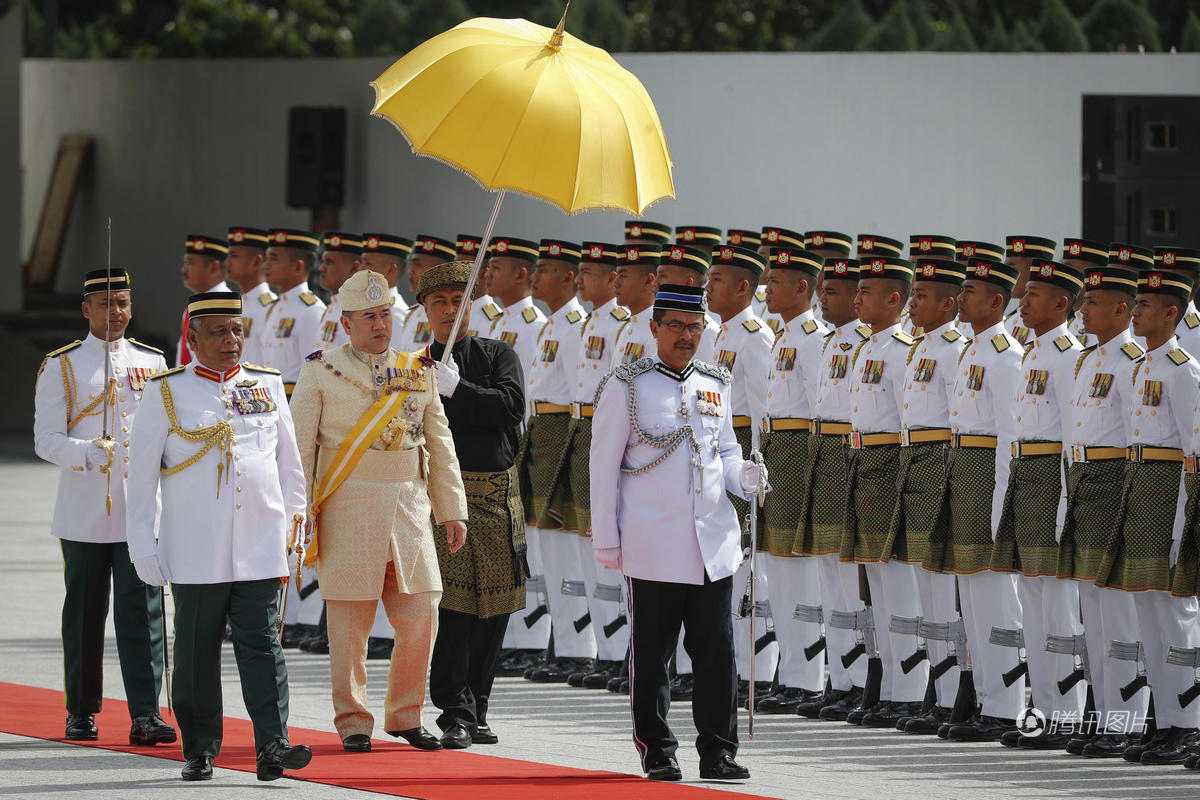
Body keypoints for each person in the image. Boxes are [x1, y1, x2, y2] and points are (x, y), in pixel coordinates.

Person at [126, 290, 311, 782]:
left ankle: (273, 743)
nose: (231, 340)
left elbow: (289, 467)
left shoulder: (266, 384)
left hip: (259, 542)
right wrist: (142, 544)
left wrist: (296, 530)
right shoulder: (166, 392)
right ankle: (200, 748)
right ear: (192, 339)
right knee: (195, 652)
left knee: (263, 646)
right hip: (196, 547)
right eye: (218, 332)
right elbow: (140, 477)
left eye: (236, 331)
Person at [289, 269, 468, 753]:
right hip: (348, 506)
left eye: (385, 314)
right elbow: (299, 451)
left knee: (423, 612)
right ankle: (353, 720)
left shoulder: (417, 369)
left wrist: (452, 509)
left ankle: (406, 715)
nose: (380, 324)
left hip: (409, 507)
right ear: (346, 324)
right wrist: (298, 515)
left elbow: (439, 443)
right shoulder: (321, 370)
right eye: (368, 316)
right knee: (350, 622)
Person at [590, 284, 762, 782]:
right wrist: (607, 539)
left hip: (712, 543)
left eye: (694, 327)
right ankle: (658, 750)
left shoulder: (715, 382)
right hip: (652, 543)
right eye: (676, 326)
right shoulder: (627, 386)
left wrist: (745, 477)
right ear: (655, 328)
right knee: (653, 655)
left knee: (717, 653)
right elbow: (602, 467)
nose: (686, 336)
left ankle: (718, 751)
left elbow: (725, 450)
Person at [33, 267, 174, 746]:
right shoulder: (63, 365)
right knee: (85, 614)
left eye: (123, 303)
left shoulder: (152, 361)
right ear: (85, 309)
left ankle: (145, 713)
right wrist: (85, 452)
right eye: (105, 303)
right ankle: (81, 710)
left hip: (140, 510)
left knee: (143, 615)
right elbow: (44, 438)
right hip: (85, 510)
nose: (116, 312)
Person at [1094, 257, 1200, 765]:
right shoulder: (1138, 368)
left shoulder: (1184, 371)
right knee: (1147, 610)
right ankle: (1164, 721)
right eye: (1135, 304)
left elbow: (1192, 452)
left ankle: (1189, 723)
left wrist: (1184, 520)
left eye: (1145, 305)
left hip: (1169, 494)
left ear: (1172, 313)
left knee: (1175, 612)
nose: (1135, 312)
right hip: (1138, 492)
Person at [417, 261, 527, 749]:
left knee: (494, 610)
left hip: (496, 495)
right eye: (438, 302)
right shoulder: (414, 365)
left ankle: (478, 706)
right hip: (445, 497)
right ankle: (454, 712)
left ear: (472, 306)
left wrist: (458, 390)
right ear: (424, 309)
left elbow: (511, 407)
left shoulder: (498, 354)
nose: (448, 310)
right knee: (453, 609)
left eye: (457, 301)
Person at [925, 256, 1025, 743]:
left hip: (987, 473)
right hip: (963, 469)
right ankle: (985, 698)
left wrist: (1003, 499)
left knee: (995, 593)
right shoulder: (972, 350)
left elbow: (1009, 435)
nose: (960, 299)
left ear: (997, 301)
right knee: (972, 594)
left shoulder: (1006, 356)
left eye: (970, 292)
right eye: (961, 290)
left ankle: (1006, 705)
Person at [988, 258, 1087, 749]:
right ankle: (1043, 709)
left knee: (1058, 603)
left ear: (1061, 304)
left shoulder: (1068, 356)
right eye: (1024, 294)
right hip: (1026, 477)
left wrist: (1067, 503)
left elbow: (1073, 436)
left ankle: (1068, 712)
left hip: (1054, 480)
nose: (1023, 300)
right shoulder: (1031, 351)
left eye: (1034, 295)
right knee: (1032, 594)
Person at [1056, 260, 1147, 758]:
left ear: (1121, 309)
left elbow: (1139, 438)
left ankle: (1127, 719)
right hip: (1084, 480)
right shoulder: (1086, 359)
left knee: (1119, 610)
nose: (1082, 308)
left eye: (1092, 301)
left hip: (1116, 483)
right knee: (1092, 604)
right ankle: (1104, 713)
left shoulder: (1133, 361)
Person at [842, 253, 928, 728]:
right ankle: (890, 685)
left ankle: (910, 690)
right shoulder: (866, 348)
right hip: (863, 466)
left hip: (891, 466)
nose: (857, 299)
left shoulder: (901, 352)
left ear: (894, 299)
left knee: (898, 582)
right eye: (856, 290)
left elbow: (907, 424)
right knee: (876, 581)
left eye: (866, 292)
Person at [891, 256, 967, 735]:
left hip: (940, 460)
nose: (912, 303)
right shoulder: (920, 346)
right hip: (913, 459)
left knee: (943, 584)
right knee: (924, 579)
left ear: (947, 304)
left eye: (921, 296)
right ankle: (937, 691)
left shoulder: (955, 349)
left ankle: (956, 690)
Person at [754, 245, 828, 715]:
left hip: (800, 451)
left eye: (775, 282)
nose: (767, 289)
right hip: (776, 449)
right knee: (778, 567)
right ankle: (789, 670)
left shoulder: (813, 338)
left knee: (799, 569)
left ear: (802, 288)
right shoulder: (783, 335)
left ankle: (808, 677)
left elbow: (820, 409)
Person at [518, 239, 594, 683]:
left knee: (567, 549)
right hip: (542, 434)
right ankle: (560, 643)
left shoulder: (574, 326)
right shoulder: (553, 324)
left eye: (544, 269)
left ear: (567, 277)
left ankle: (577, 648)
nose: (535, 276)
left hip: (565, 436)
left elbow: (577, 398)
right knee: (546, 547)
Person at [706, 244, 776, 707]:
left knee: (751, 563)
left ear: (743, 288)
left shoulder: (754, 336)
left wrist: (755, 467)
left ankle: (758, 672)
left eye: (717, 280)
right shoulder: (720, 334)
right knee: (727, 560)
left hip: (745, 459)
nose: (707, 287)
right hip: (720, 456)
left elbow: (766, 411)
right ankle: (731, 667)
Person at [800, 253, 870, 721]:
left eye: (833, 292)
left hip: (849, 454)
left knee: (850, 575)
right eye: (822, 290)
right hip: (823, 453)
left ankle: (863, 678)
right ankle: (840, 679)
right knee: (828, 569)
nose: (822, 298)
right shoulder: (828, 342)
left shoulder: (865, 343)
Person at [567, 241, 633, 690]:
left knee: (616, 546)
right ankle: (606, 651)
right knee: (588, 544)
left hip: (613, 431)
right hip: (583, 428)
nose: (579, 279)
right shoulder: (599, 323)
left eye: (588, 272)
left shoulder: (620, 323)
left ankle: (622, 650)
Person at [258, 228, 325, 398]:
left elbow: (316, 374)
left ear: (297, 266)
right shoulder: (274, 308)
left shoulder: (311, 310)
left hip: (294, 401)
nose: (265, 265)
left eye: (273, 259)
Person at [224, 226, 276, 366]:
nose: (227, 262)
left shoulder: (270, 308)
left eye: (234, 256)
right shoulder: (235, 305)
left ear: (257, 262)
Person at [176, 234, 230, 366]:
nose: (183, 270)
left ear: (214, 267)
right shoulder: (193, 307)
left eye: (190, 263)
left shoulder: (228, 307)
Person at [396, 235, 455, 351]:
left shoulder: (449, 315)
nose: (410, 271)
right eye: (411, 264)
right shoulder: (413, 314)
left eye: (418, 265)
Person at [360, 232, 414, 351]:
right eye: (362, 263)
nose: (360, 269)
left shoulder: (395, 314)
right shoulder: (361, 306)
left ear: (391, 269)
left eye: (368, 264)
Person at [311, 232, 363, 353]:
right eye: (323, 261)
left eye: (329, 262)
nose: (321, 268)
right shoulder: (332, 308)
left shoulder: (358, 313)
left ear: (354, 268)